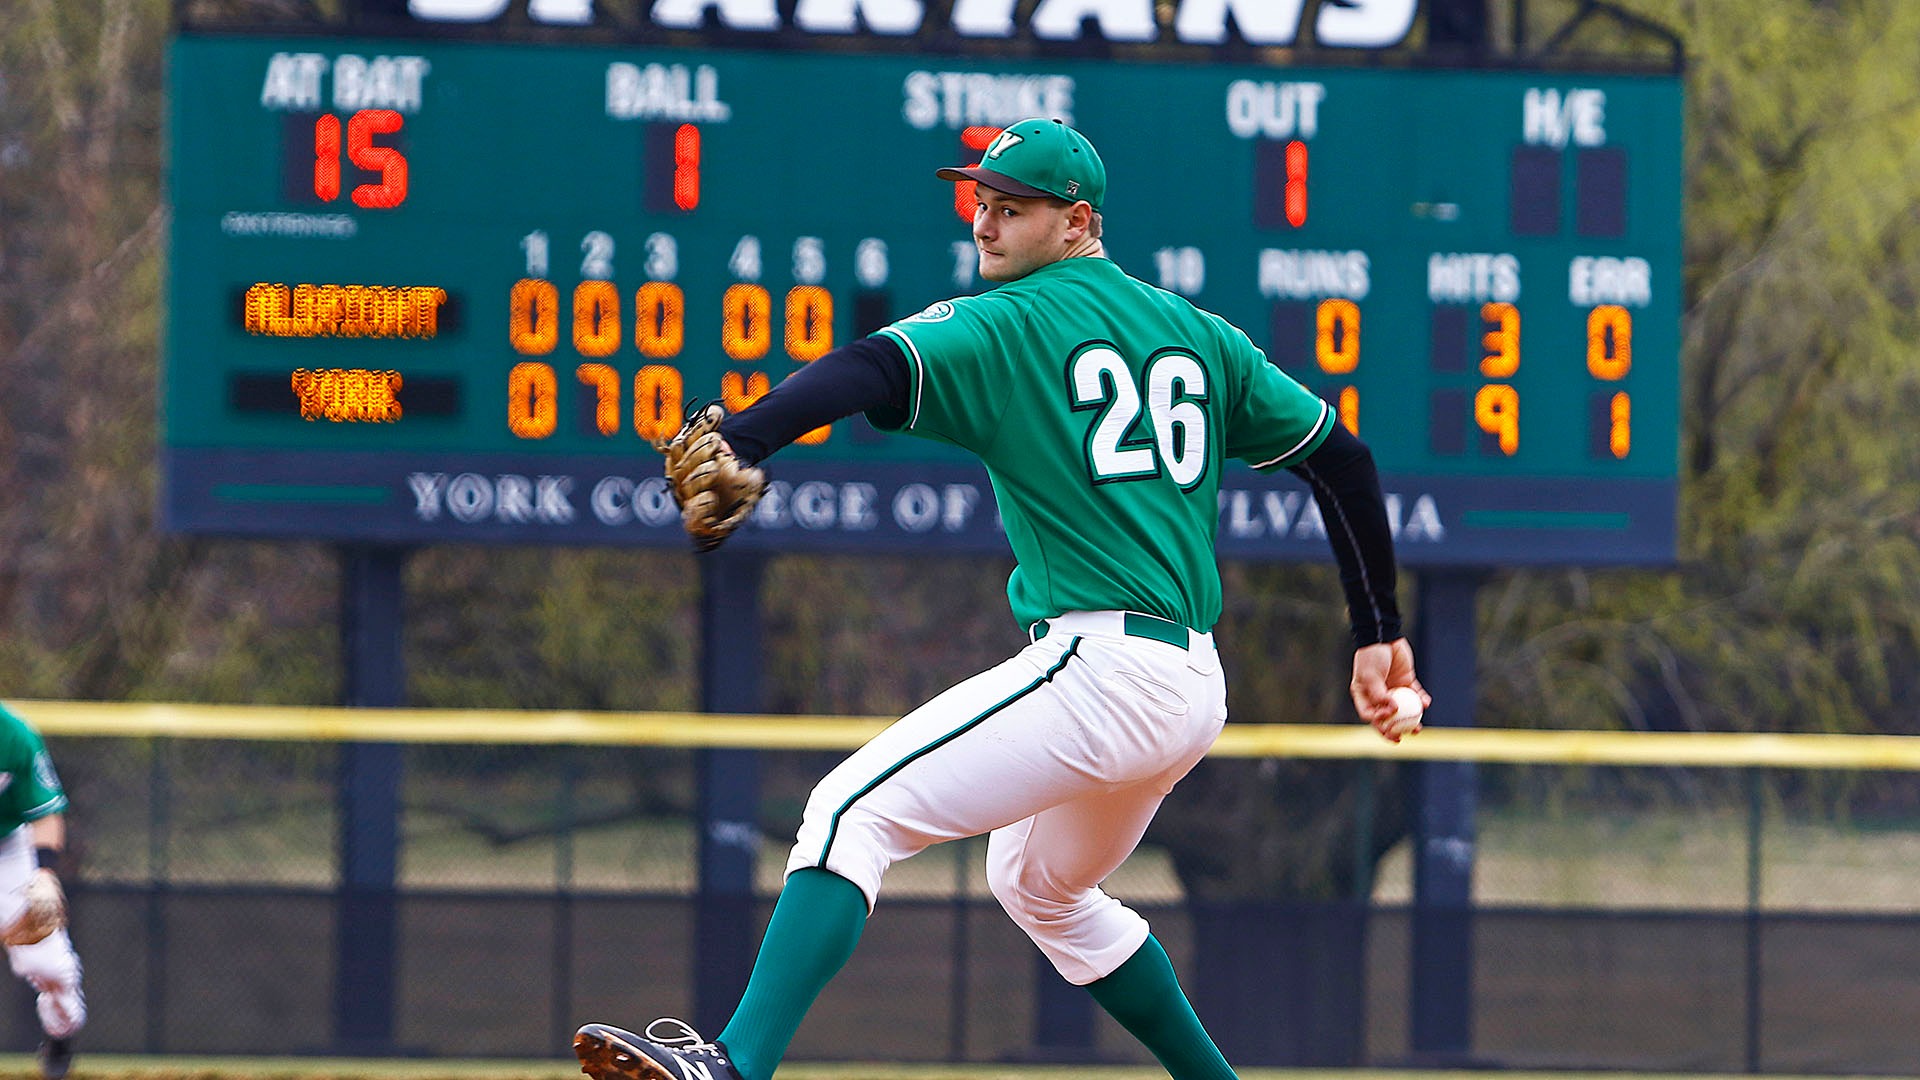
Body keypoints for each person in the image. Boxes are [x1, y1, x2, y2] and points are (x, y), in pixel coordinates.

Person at [576, 117, 1426, 1080]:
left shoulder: (1015, 320)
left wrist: (752, 436)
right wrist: (1378, 634)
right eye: (981, 202)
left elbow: (871, 367)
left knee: (850, 813)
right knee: (1038, 883)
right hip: (1189, 683)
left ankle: (734, 1066)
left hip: (1102, 667)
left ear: (1077, 223)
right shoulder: (1199, 334)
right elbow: (1342, 460)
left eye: (1011, 208)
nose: (985, 224)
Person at [0, 705, 84, 1080]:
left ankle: (61, 1032)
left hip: (6, 848)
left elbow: (45, 812)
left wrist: (46, 874)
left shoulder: (13, 734)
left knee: (47, 965)